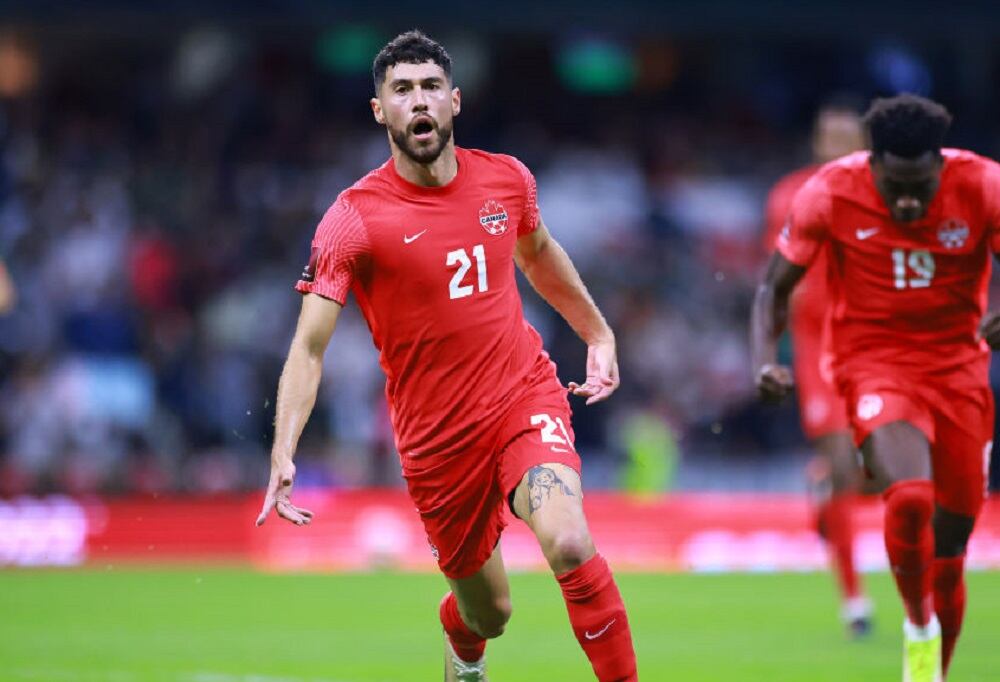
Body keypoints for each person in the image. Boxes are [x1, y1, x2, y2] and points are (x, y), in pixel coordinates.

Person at [255, 30, 638, 682]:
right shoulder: (354, 219)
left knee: (570, 541)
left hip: (522, 395)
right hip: (437, 440)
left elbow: (539, 256)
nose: (418, 100)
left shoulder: (506, 180)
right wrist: (284, 447)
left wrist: (597, 333)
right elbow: (309, 348)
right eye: (401, 90)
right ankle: (463, 646)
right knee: (490, 614)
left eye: (430, 86)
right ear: (381, 112)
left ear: (454, 101)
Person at [751, 93, 1000, 682]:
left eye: (921, 185)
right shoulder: (826, 192)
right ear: (874, 165)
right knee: (909, 496)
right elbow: (772, 289)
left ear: (941, 164)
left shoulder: (984, 185)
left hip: (960, 367)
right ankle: (912, 621)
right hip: (873, 361)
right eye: (896, 187)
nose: (909, 200)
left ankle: (931, 665)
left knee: (952, 541)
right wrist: (764, 360)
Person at [761, 99, 873, 636]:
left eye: (846, 138)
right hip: (821, 348)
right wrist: (770, 350)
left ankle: (822, 489)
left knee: (885, 471)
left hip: (880, 347)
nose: (835, 147)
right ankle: (855, 603)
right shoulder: (794, 195)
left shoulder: (886, 195)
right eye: (828, 137)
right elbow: (779, 278)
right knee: (846, 467)